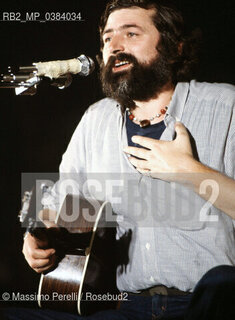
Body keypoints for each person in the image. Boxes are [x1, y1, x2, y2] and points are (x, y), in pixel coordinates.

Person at [2, 0, 235, 319]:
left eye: (131, 33)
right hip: (129, 307)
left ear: (173, 48)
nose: (115, 45)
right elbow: (61, 204)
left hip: (209, 302)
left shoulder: (226, 105)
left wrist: (191, 172)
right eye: (108, 38)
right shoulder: (95, 119)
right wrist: (38, 238)